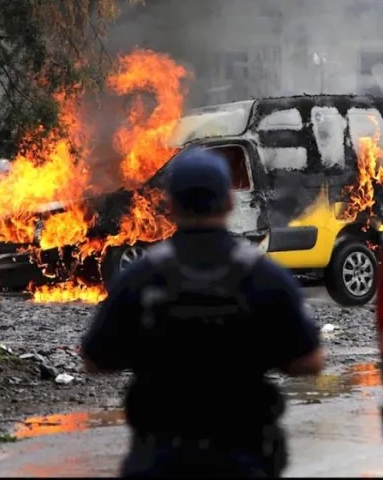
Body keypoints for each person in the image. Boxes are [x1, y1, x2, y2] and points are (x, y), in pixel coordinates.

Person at [81, 148, 325, 478]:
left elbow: (95, 360)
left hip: (161, 459)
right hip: (244, 458)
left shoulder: (141, 278)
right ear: (228, 203)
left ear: (171, 206)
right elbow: (309, 361)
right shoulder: (263, 277)